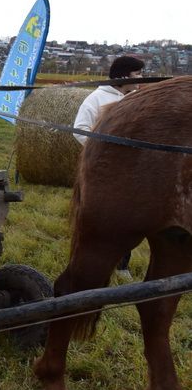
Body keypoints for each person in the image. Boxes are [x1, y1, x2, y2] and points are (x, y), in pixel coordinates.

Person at [73, 54, 144, 282]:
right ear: (123, 76)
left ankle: (122, 266)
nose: (141, 79)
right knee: (103, 219)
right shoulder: (97, 98)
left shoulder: (136, 99)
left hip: (131, 171)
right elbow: (80, 128)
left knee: (129, 219)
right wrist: (103, 155)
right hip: (103, 171)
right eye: (137, 74)